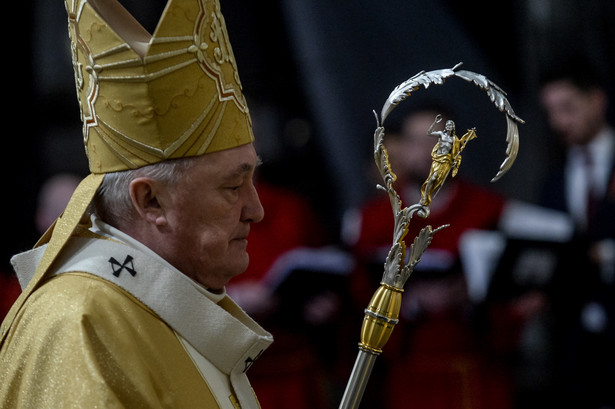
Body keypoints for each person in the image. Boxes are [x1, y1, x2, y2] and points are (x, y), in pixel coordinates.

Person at [0, 1, 274, 408]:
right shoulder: (77, 323)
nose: (257, 210)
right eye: (233, 187)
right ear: (150, 201)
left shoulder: (166, 301)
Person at [343, 105, 513, 409]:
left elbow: (516, 297)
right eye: (415, 141)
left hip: (477, 370)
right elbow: (356, 299)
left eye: (438, 141)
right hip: (408, 373)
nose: (427, 151)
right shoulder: (373, 221)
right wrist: (411, 303)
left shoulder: (491, 210)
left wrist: (471, 293)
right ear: (402, 148)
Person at [537, 57, 615, 408]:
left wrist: (602, 254)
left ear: (597, 100)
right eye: (551, 111)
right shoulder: (552, 181)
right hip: (575, 351)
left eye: (568, 107)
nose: (559, 122)